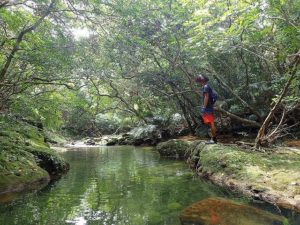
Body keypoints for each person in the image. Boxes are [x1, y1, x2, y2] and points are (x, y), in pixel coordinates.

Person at [195, 74, 217, 144]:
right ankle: (213, 138)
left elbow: (206, 97)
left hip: (207, 108)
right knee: (211, 123)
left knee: (211, 123)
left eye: (198, 82)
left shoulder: (205, 87)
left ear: (201, 81)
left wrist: (204, 107)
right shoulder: (207, 86)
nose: (198, 83)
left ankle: (214, 139)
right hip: (209, 107)